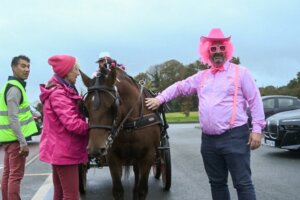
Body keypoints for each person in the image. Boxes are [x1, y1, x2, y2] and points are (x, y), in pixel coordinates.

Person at [145, 28, 266, 200]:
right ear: (207, 51)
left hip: (235, 136)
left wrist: (257, 130)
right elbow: (180, 86)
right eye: (213, 48)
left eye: (221, 48)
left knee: (242, 183)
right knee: (217, 183)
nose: (217, 52)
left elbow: (255, 100)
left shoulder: (241, 73)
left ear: (227, 50)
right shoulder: (202, 76)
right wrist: (160, 98)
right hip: (209, 141)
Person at [39, 55, 89, 200]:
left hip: (59, 150)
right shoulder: (59, 94)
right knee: (72, 195)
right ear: (66, 72)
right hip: (64, 151)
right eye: (76, 70)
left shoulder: (62, 90)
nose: (78, 73)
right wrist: (91, 127)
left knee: (60, 193)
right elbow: (72, 123)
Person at [0, 55, 38, 200]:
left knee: (8, 175)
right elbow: (13, 117)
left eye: (28, 66)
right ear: (14, 67)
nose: (27, 69)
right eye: (23, 66)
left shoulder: (9, 87)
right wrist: (23, 142)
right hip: (15, 140)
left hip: (9, 139)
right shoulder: (15, 89)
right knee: (15, 176)